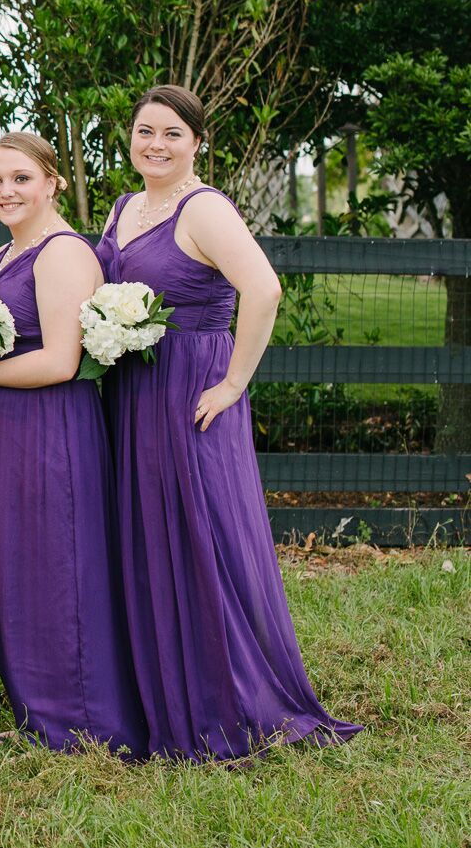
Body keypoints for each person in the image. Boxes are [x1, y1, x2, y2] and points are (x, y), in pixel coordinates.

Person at [97, 84, 362, 760]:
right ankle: (158, 684)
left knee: (201, 530)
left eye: (172, 135)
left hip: (191, 386)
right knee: (151, 531)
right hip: (133, 389)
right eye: (144, 131)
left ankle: (227, 692)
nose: (155, 144)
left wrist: (235, 381)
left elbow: (264, 287)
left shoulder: (203, 207)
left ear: (197, 142)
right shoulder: (125, 207)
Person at [0, 132, 144, 753]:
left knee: (56, 566)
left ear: (54, 181)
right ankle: (39, 710)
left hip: (48, 431)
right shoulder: (7, 254)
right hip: (0, 432)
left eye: (21, 178)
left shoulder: (61, 254)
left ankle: (79, 720)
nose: (6, 191)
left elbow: (61, 361)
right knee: (13, 568)